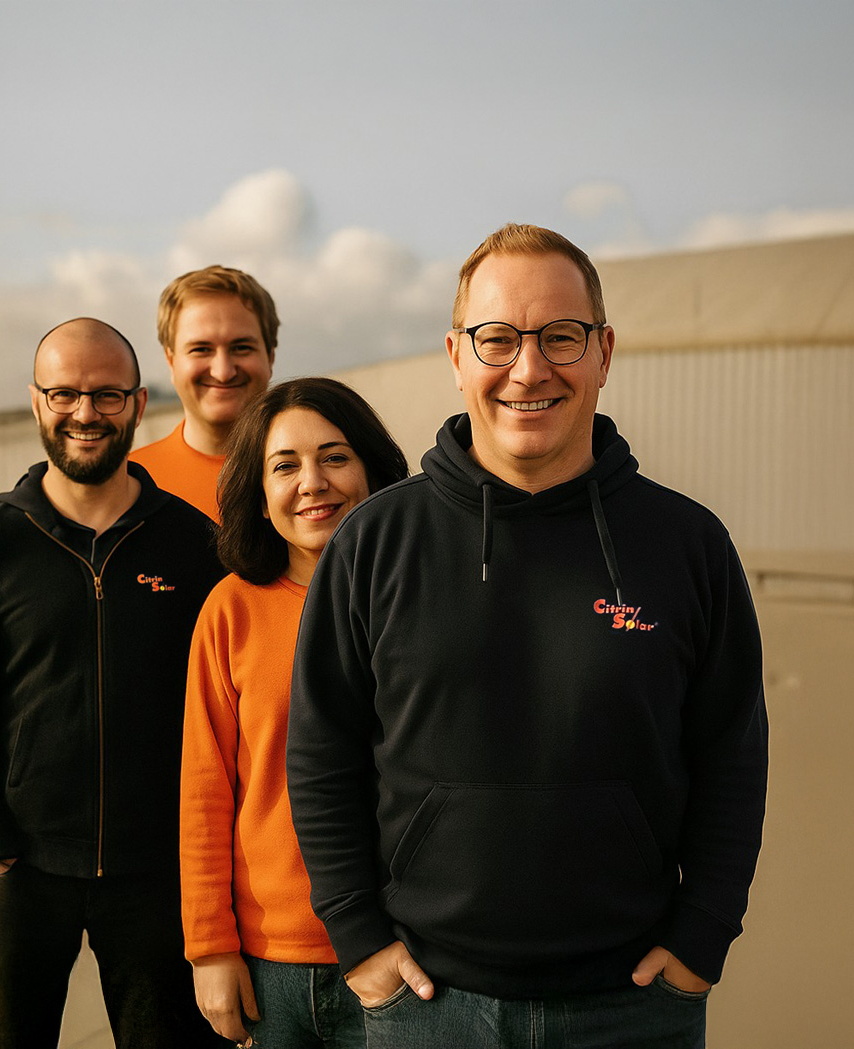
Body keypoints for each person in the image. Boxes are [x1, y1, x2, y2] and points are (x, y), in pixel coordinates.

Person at [286, 225, 768, 1049]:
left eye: (560, 337)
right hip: (426, 1005)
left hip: (632, 1004)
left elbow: (731, 749)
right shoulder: (373, 542)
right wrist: (358, 938)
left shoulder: (686, 544)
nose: (528, 368)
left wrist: (703, 933)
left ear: (604, 351)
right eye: (498, 338)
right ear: (455, 353)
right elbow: (319, 749)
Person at [0, 318, 227, 1049]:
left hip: (156, 872)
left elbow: (223, 709)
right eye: (64, 393)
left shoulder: (193, 543)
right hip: (24, 869)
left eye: (106, 394)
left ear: (136, 403)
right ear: (36, 403)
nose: (85, 413)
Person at [179, 378, 408, 1047]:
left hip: (408, 944)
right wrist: (210, 948)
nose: (313, 481)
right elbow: (204, 788)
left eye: (335, 456)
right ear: (258, 488)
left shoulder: (419, 594)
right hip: (274, 961)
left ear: (372, 468)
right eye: (285, 465)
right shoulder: (231, 609)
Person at [131, 265, 279, 520]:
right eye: (201, 349)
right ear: (171, 361)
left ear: (270, 357)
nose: (223, 372)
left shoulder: (315, 479)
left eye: (242, 347)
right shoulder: (129, 483)